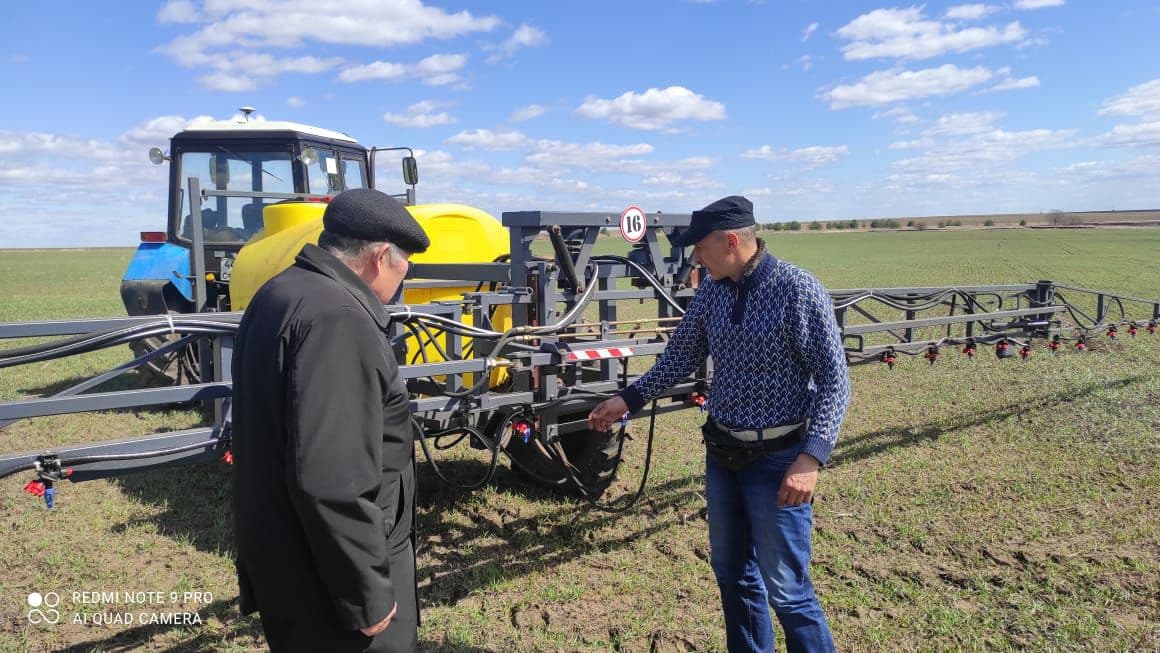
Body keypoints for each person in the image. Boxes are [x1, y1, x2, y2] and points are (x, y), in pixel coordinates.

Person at [588, 196, 851, 653]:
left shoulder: (797, 290)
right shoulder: (712, 291)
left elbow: (835, 380)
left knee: (787, 590)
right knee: (733, 577)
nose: (695, 257)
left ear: (731, 241)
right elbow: (680, 358)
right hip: (724, 457)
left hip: (779, 463)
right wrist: (625, 399)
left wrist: (812, 456)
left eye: (701, 248)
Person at [231, 188, 430, 652]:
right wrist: (369, 597)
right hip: (333, 595)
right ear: (381, 258)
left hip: (293, 564)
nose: (402, 283)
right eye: (406, 268)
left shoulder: (281, 292)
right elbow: (332, 479)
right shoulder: (340, 319)